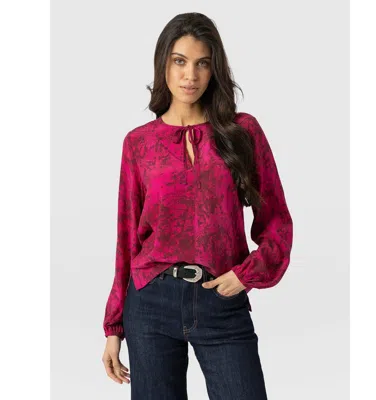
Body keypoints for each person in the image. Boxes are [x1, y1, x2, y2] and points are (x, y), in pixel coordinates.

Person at [101, 12, 293, 400]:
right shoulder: (138, 143)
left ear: (214, 69)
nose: (191, 75)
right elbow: (126, 239)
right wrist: (114, 327)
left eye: (202, 63)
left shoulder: (242, 131)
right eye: (180, 61)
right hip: (150, 304)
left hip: (221, 298)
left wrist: (247, 274)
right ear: (163, 64)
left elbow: (276, 221)